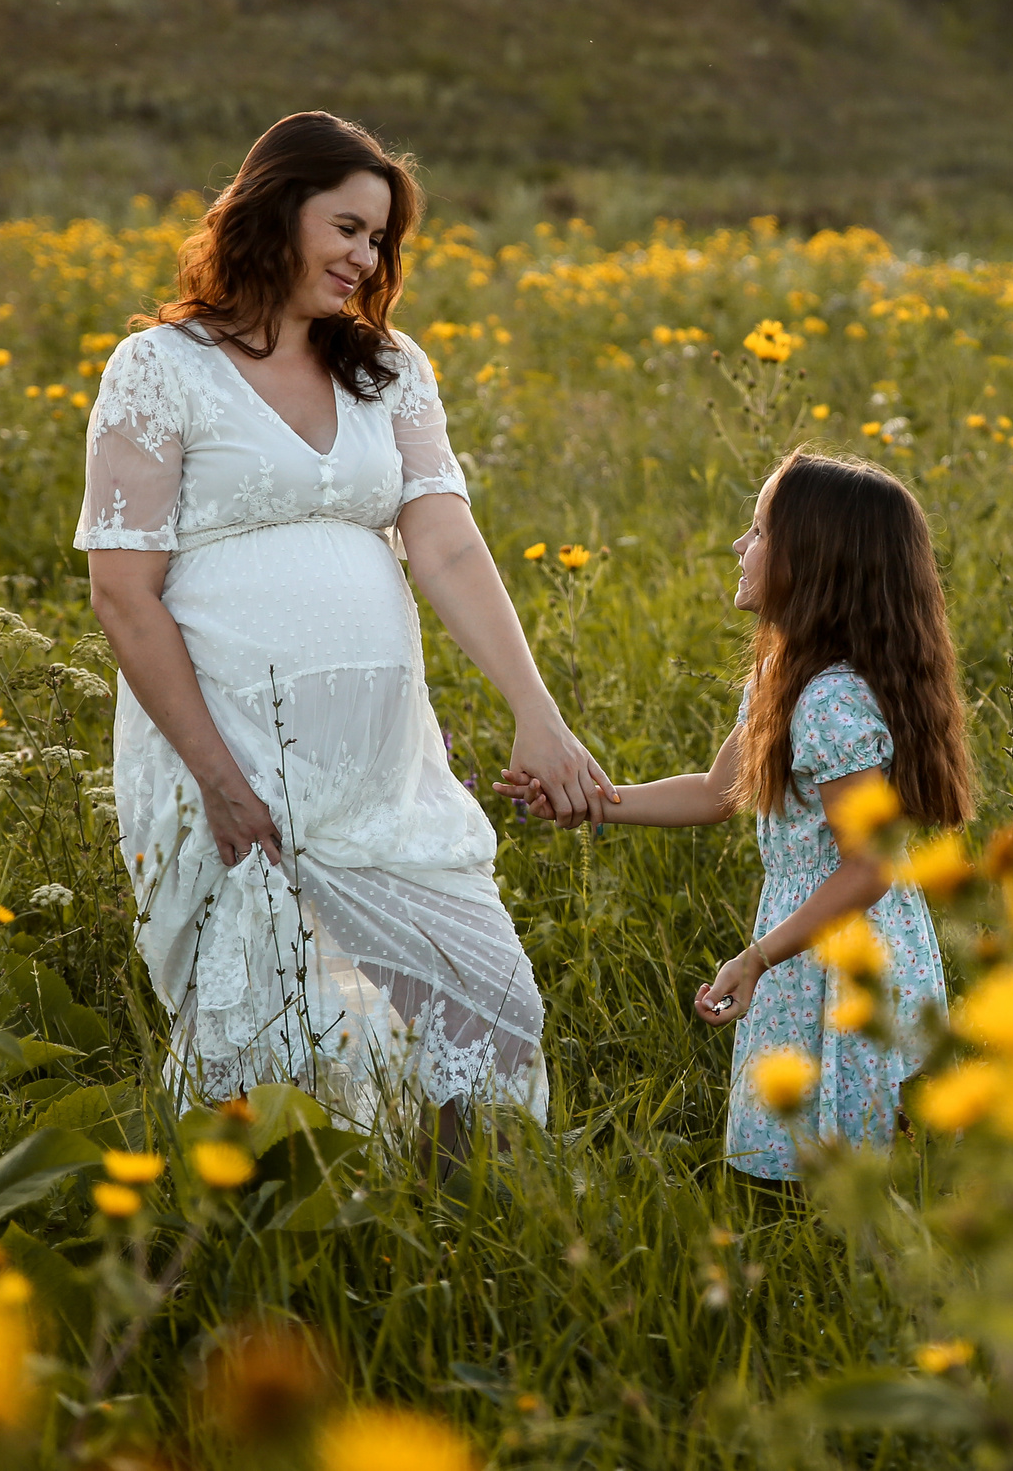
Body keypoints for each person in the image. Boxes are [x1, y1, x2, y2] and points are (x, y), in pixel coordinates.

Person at [77, 111, 613, 1140]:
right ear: (277, 212)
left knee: (491, 1002)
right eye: (349, 228)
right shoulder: (161, 369)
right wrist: (218, 780)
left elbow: (448, 546)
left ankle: (464, 1238)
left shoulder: (391, 368)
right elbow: (122, 594)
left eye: (380, 241)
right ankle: (280, 1239)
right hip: (233, 750)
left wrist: (535, 715)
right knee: (277, 1026)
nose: (367, 258)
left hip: (384, 772)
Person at [503, 450, 973, 1179]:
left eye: (757, 532)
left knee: (852, 1169)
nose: (738, 546)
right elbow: (717, 790)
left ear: (812, 563)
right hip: (803, 938)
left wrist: (758, 956)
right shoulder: (780, 678)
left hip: (845, 956)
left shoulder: (831, 702)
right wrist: (596, 800)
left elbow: (869, 867)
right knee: (812, 1162)